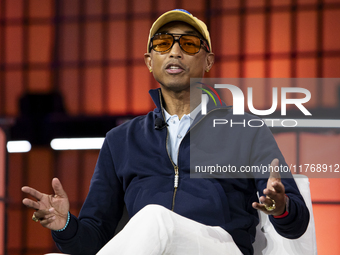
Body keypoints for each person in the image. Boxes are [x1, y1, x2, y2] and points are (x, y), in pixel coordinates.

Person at [22, 9, 309, 255]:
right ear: (149, 61)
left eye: (189, 44)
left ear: (208, 61)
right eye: (162, 44)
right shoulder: (120, 140)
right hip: (153, 248)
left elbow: (296, 223)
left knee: (155, 219)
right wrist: (66, 226)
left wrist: (280, 206)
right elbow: (93, 238)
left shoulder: (245, 130)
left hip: (219, 247)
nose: (174, 51)